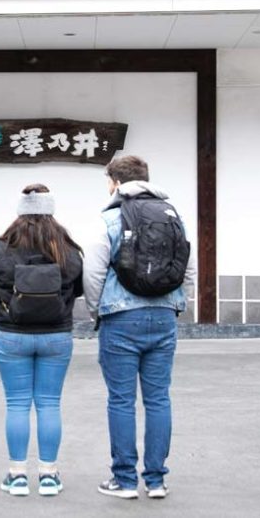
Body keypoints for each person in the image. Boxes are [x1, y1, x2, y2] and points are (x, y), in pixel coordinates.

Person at [83, 155, 196, 500]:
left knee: (121, 400)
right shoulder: (173, 216)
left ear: (116, 183)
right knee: (158, 399)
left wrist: (96, 311)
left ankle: (125, 480)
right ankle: (157, 480)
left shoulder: (110, 218)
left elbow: (93, 272)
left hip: (120, 318)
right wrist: (177, 304)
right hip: (163, 317)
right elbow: (188, 269)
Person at [0, 184, 84, 498]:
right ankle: (49, 476)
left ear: (19, 212)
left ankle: (17, 476)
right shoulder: (68, 249)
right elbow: (78, 290)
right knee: (49, 404)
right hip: (56, 336)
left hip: (13, 336)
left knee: (17, 404)